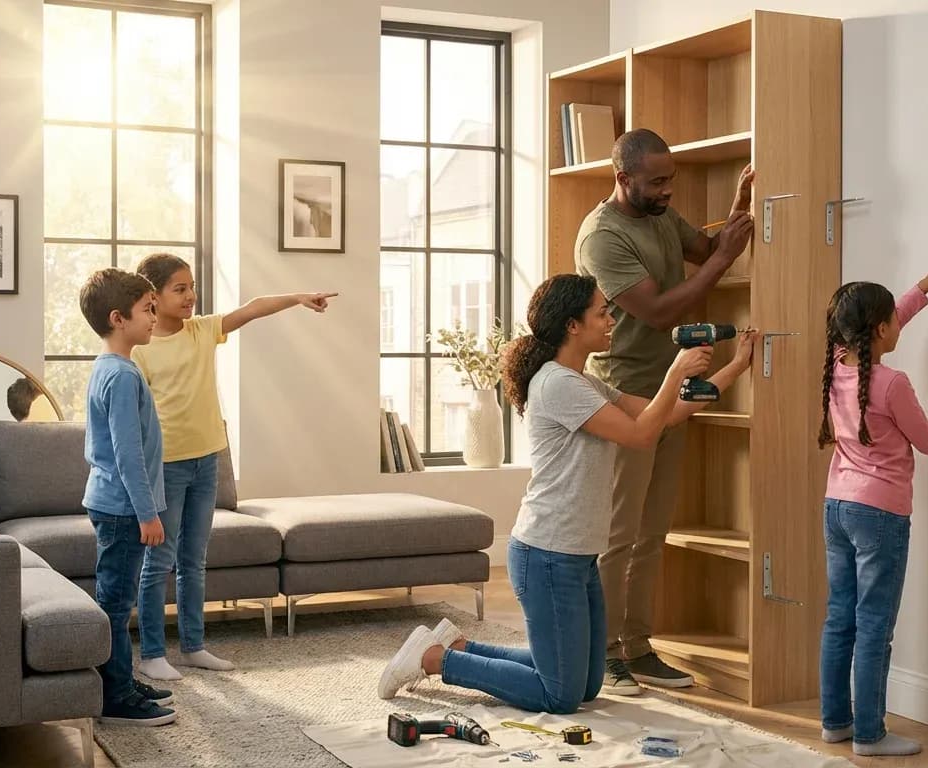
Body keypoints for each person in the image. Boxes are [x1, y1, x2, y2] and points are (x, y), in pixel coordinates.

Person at [376, 274, 755, 714]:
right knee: (559, 696)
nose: (611, 320)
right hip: (548, 555)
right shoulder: (559, 385)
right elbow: (640, 434)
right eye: (601, 313)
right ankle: (436, 660)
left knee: (586, 684)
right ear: (572, 325)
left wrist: (736, 366)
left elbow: (666, 415)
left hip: (575, 555)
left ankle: (456, 644)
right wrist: (675, 371)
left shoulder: (585, 382)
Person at [574, 127, 755, 694]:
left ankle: (639, 647)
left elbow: (702, 251)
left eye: (671, 179)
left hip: (673, 389)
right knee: (619, 533)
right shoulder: (601, 236)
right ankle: (603, 654)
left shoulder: (658, 215)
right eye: (657, 182)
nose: (668, 191)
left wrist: (738, 210)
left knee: (652, 532)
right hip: (625, 393)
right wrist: (724, 257)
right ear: (622, 178)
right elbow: (656, 311)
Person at [131, 252, 337, 681]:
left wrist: (299, 297)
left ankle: (192, 647)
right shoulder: (142, 350)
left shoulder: (202, 330)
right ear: (153, 296)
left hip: (209, 458)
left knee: (194, 560)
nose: (191, 296)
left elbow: (254, 307)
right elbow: (136, 419)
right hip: (166, 465)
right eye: (180, 289)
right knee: (159, 562)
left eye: (192, 287)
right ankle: (152, 653)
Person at [816, 261, 928, 756]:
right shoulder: (892, 382)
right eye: (893, 319)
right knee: (873, 626)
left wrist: (925, 288)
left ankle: (836, 724)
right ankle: (869, 734)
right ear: (879, 329)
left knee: (839, 619)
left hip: (838, 507)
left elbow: (880, 325)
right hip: (881, 517)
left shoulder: (837, 362)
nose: (897, 325)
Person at [77, 268, 177, 726]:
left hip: (116, 504)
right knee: (115, 605)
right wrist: (147, 513)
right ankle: (115, 697)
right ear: (119, 318)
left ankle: (121, 680)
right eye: (147, 310)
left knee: (117, 600)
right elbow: (127, 453)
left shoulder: (114, 368)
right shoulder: (120, 376)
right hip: (122, 507)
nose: (155, 318)